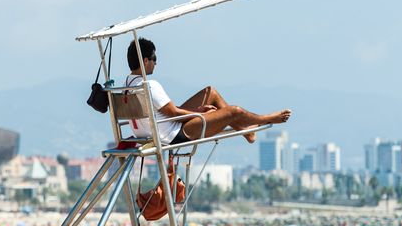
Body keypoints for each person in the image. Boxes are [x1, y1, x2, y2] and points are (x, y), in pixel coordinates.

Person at [123, 38, 291, 146]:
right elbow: (173, 113)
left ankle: (248, 132)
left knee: (210, 93)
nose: (156, 63)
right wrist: (200, 113)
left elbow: (167, 112)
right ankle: (267, 118)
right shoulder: (149, 85)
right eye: (154, 59)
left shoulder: (126, 86)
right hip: (173, 134)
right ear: (146, 61)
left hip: (155, 130)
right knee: (234, 111)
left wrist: (197, 111)